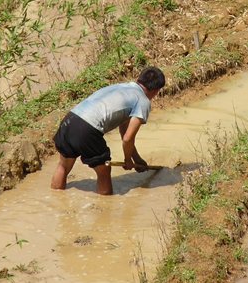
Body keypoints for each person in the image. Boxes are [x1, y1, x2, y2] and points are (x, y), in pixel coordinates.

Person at [50, 66, 166, 195]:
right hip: (87, 128)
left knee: (63, 166)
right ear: (156, 91)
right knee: (104, 171)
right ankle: (104, 208)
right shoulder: (143, 101)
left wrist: (136, 159)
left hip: (70, 120)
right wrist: (128, 160)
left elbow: (124, 131)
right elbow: (128, 138)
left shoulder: (124, 87)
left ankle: (56, 198)